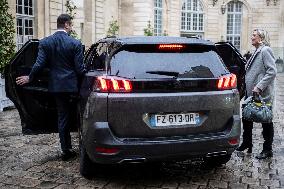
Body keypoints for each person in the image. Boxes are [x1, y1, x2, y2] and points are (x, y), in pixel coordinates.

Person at [16, 14, 85, 161]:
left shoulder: (46, 42)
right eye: (71, 25)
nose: (71, 28)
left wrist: (30, 77)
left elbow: (39, 64)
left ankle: (66, 150)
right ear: (66, 25)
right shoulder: (75, 43)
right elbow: (80, 70)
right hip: (73, 87)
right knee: (80, 115)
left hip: (57, 87)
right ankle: (80, 146)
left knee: (63, 117)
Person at [236, 29, 277, 159]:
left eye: (254, 35)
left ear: (261, 38)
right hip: (251, 93)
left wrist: (259, 87)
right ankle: (247, 143)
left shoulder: (265, 50)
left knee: (266, 120)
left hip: (262, 93)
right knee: (247, 116)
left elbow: (272, 71)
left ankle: (267, 149)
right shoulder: (256, 51)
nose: (252, 37)